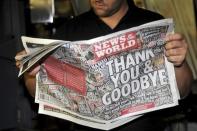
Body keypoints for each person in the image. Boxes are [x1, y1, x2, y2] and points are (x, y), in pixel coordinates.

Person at [16, 0, 193, 130]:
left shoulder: (152, 23)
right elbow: (35, 92)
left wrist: (179, 63)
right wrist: (31, 73)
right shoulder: (69, 31)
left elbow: (183, 91)